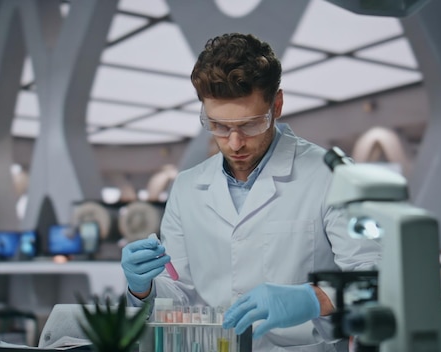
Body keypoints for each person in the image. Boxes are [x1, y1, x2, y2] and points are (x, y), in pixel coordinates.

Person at [121, 32, 381, 352]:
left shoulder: (332, 176)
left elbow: (376, 281)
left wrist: (314, 298)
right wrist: (142, 288)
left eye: (250, 125)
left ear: (277, 105)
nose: (234, 143)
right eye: (218, 126)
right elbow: (182, 295)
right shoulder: (187, 188)